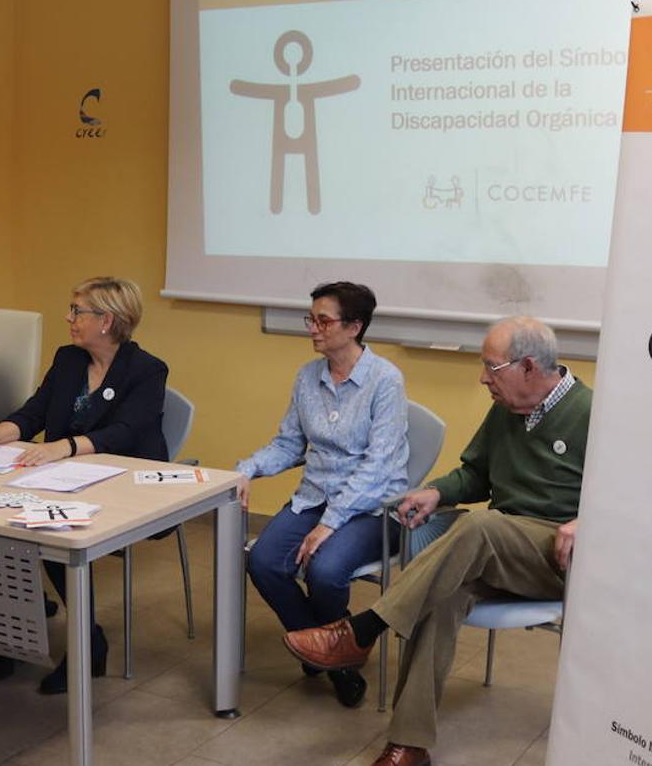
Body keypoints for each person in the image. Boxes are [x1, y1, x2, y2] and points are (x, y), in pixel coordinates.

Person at [283, 316, 591, 766]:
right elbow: (475, 474)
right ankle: (408, 745)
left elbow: (633, 496)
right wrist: (436, 492)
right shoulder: (505, 410)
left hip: (556, 558)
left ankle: (364, 628)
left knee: (479, 526)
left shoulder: (592, 414)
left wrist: (588, 521)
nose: (484, 377)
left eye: (492, 367)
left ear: (528, 367)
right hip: (495, 549)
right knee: (442, 599)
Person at [0, 276, 167, 694]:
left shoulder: (146, 370)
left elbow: (126, 432)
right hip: (62, 477)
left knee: (54, 533)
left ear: (106, 320)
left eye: (78, 311)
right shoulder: (69, 359)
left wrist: (63, 448)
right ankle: (16, 633)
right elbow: (35, 410)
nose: (68, 318)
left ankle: (87, 642)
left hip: (126, 482)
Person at [240, 282, 408, 708]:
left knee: (325, 571)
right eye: (310, 319)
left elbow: (379, 465)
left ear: (354, 327)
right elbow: (289, 445)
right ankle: (336, 654)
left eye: (324, 320)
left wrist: (330, 523)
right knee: (261, 561)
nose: (313, 328)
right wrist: (245, 470)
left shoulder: (385, 380)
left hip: (374, 507)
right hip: (315, 497)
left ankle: (328, 653)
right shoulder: (307, 376)